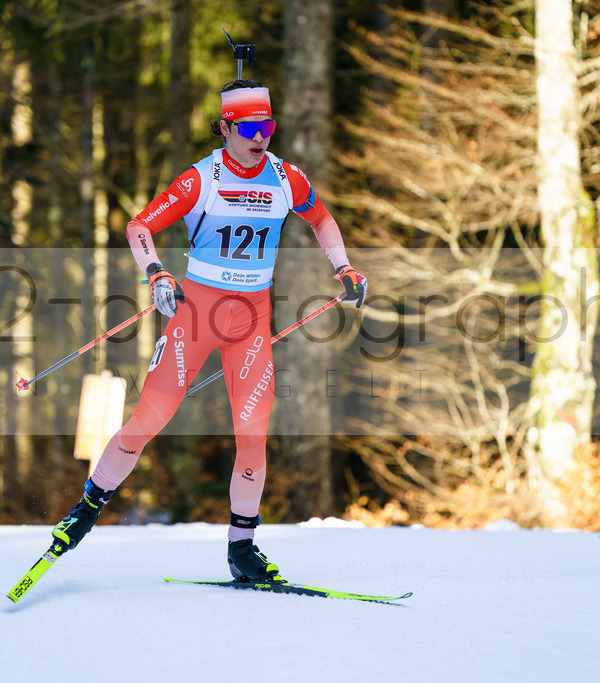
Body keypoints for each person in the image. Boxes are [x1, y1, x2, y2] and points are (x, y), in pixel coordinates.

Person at [51, 79, 366, 582]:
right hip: (195, 315)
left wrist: (343, 267)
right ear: (225, 128)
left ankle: (243, 548)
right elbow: (139, 227)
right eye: (248, 128)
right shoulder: (202, 178)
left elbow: (323, 221)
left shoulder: (286, 178)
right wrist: (155, 272)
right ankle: (85, 510)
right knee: (147, 420)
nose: (260, 137)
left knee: (253, 436)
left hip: (252, 323)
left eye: (268, 127)